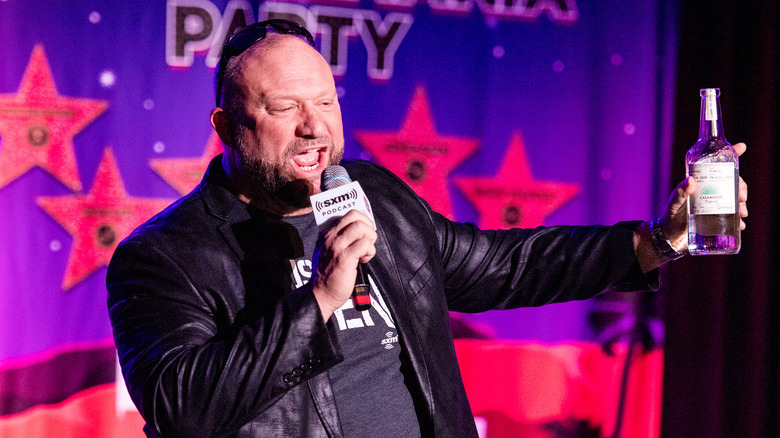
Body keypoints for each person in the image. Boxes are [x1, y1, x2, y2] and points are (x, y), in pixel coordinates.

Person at [107, 19, 749, 438]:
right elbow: (181, 406)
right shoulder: (165, 256)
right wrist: (322, 299)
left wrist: (659, 239)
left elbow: (501, 266)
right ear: (226, 129)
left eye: (326, 102)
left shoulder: (372, 193)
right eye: (285, 109)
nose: (315, 127)